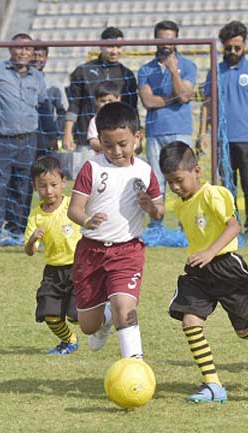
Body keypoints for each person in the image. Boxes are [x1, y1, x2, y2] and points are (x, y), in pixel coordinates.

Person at [159, 141, 248, 403]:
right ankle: (213, 385)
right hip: (198, 271)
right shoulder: (179, 205)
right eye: (170, 182)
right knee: (190, 321)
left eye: (179, 180)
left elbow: (233, 227)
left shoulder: (215, 193)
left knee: (244, 330)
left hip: (228, 268)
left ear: (196, 171)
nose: (175, 187)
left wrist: (210, 252)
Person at [66, 101, 165, 360]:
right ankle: (105, 319)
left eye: (123, 144)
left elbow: (160, 208)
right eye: (108, 145)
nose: (116, 151)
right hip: (91, 252)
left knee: (125, 308)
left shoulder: (144, 171)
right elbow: (74, 209)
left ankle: (135, 367)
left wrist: (152, 209)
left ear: (137, 137)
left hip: (127, 251)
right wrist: (87, 220)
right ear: (99, 140)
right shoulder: (92, 168)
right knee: (87, 324)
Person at [198, 21, 248, 245]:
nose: (233, 52)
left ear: (244, 44)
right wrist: (203, 134)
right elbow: (207, 105)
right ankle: (231, 227)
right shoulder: (215, 71)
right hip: (222, 140)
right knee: (226, 187)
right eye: (228, 48)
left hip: (247, 139)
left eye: (237, 47)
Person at [0, 33, 46, 244]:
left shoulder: (38, 77)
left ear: (33, 52)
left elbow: (43, 105)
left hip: (28, 141)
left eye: (28, 49)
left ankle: (17, 231)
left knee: (23, 187)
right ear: (10, 50)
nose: (23, 52)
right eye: (19, 48)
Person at [24, 155, 82, 355]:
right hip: (53, 271)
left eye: (53, 184)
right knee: (49, 315)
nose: (48, 191)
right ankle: (69, 340)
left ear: (64, 183)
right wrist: (32, 240)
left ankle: (105, 313)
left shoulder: (72, 205)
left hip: (78, 267)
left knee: (76, 315)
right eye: (42, 186)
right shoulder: (36, 215)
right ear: (34, 186)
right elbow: (30, 251)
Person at [138, 20, 197, 215]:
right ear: (155, 40)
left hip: (181, 129)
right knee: (156, 180)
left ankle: (187, 223)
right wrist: (176, 98)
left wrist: (173, 71)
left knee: (184, 178)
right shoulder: (145, 70)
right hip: (155, 130)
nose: (166, 44)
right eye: (162, 39)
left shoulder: (188, 66)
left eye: (170, 40)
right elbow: (148, 101)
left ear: (176, 40)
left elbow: (184, 95)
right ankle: (156, 225)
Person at [62, 27, 137, 151]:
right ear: (100, 45)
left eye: (118, 47)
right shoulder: (83, 71)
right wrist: (67, 132)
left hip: (117, 141)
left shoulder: (126, 74)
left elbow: (132, 109)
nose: (114, 51)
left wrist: (135, 135)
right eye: (110, 46)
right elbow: (74, 104)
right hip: (87, 138)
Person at [31, 46, 66, 157]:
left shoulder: (54, 85)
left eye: (40, 55)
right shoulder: (18, 82)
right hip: (23, 140)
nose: (36, 58)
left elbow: (63, 112)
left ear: (46, 58)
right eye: (33, 55)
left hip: (46, 142)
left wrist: (56, 134)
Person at [86, 80, 120, 153]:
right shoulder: (95, 120)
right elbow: (93, 142)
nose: (107, 104)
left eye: (110, 100)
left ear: (118, 99)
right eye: (103, 101)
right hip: (102, 159)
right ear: (96, 101)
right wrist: (110, 149)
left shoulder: (124, 117)